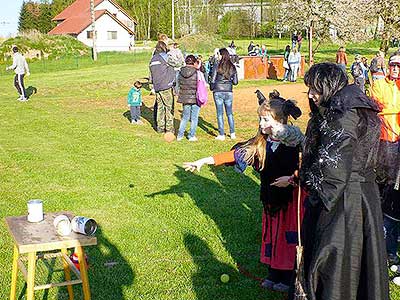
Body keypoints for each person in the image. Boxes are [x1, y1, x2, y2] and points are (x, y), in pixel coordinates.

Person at [183, 92, 304, 293]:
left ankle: (288, 275)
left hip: (289, 202)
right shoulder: (261, 143)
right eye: (260, 118)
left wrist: (292, 179)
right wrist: (204, 161)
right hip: (270, 199)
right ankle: (273, 271)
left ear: (280, 121)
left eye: (265, 119)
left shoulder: (295, 143)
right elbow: (236, 154)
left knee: (287, 238)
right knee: (272, 236)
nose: (260, 122)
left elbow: (306, 162)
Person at [294, 62, 389, 300]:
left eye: (314, 89)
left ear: (329, 86)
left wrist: (308, 181)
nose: (310, 95)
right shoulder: (356, 105)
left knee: (336, 261)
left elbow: (334, 171)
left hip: (344, 200)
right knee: (357, 261)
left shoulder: (343, 113)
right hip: (362, 194)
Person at [369, 51, 400, 266]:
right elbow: (377, 105)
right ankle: (379, 231)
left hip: (399, 142)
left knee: (395, 188)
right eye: (393, 66)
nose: (395, 69)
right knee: (382, 185)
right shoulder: (380, 84)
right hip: (383, 142)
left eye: (399, 66)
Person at [210, 48, 238, 141]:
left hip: (218, 91)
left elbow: (213, 80)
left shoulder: (216, 65)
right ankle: (232, 133)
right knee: (229, 113)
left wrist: (212, 88)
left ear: (221, 55)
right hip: (228, 91)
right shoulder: (232, 66)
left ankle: (221, 134)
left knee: (219, 114)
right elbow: (235, 82)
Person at [149, 41, 176, 135]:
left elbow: (151, 75)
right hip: (166, 86)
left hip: (157, 86)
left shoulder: (152, 59)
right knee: (169, 108)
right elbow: (177, 63)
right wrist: (172, 51)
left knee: (160, 108)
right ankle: (169, 128)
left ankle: (160, 128)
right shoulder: (165, 56)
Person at [176, 55, 200, 142]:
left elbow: (177, 84)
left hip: (185, 97)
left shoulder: (180, 72)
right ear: (194, 63)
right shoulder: (197, 72)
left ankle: (180, 135)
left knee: (185, 117)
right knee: (194, 118)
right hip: (195, 97)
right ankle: (191, 135)